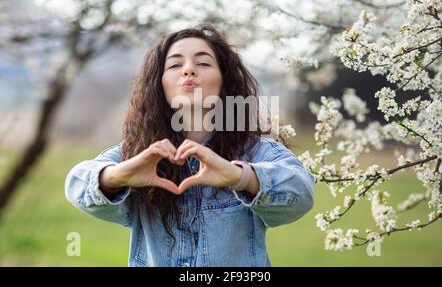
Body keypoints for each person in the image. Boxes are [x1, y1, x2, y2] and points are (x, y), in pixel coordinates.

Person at [65, 23, 315, 267]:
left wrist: (240, 178)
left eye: (203, 63)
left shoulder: (257, 151)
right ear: (159, 84)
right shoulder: (139, 154)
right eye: (175, 64)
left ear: (224, 81)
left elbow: (301, 195)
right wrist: (120, 175)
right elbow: (77, 185)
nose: (188, 70)